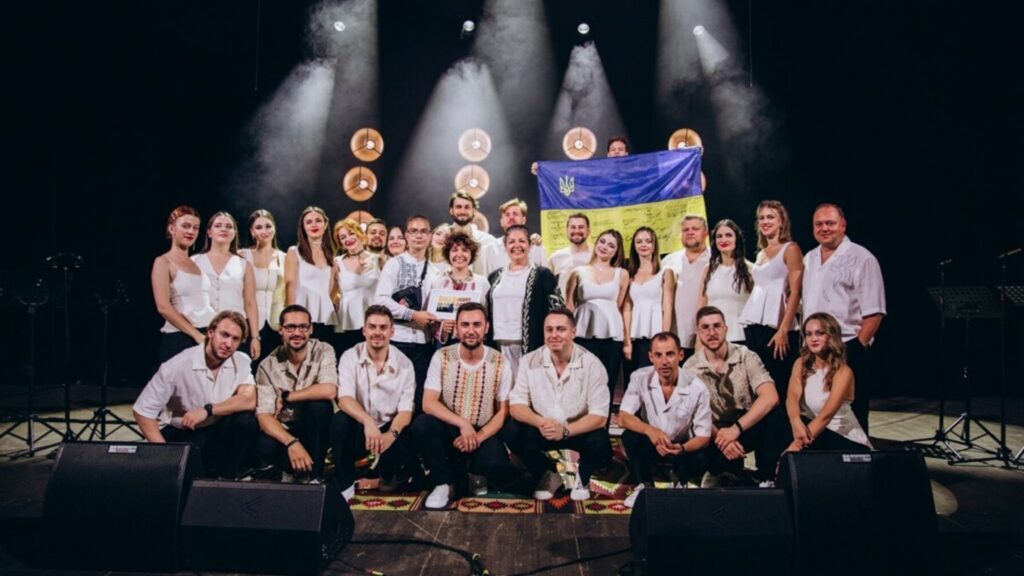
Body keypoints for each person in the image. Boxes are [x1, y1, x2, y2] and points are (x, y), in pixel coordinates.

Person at [133, 311, 258, 478]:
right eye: (224, 335)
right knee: (196, 479)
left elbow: (249, 399)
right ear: (210, 333)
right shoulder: (177, 366)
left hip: (215, 426)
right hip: (184, 431)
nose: (228, 344)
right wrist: (166, 454)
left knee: (246, 421)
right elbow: (142, 411)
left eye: (235, 339)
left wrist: (207, 410)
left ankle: (228, 477)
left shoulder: (241, 360)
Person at [413, 303, 514, 509]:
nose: (471, 330)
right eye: (465, 325)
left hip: (482, 431)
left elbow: (503, 411)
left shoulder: (500, 361)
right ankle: (443, 483)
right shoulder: (442, 356)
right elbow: (428, 403)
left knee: (495, 464)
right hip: (450, 428)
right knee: (422, 424)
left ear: (486, 327)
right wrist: (463, 424)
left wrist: (478, 436)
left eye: (477, 324)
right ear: (457, 328)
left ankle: (470, 473)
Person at [506, 309, 612, 501]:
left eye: (560, 329)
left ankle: (583, 478)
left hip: (576, 429)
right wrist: (540, 422)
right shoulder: (529, 361)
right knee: (510, 430)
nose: (554, 335)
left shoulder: (592, 364)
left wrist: (565, 431)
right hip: (543, 428)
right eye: (549, 329)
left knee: (599, 440)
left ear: (573, 332)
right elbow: (516, 405)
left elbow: (599, 416)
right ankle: (548, 473)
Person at [802, 203, 886, 433]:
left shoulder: (862, 257)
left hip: (846, 346)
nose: (824, 228)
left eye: (830, 223)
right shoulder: (809, 258)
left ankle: (855, 454)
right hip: (813, 348)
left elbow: (875, 311)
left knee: (851, 412)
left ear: (843, 225)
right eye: (819, 224)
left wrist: (856, 348)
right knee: (815, 408)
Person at [682, 306, 784, 483]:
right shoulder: (690, 367)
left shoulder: (746, 355)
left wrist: (736, 429)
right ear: (698, 332)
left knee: (777, 415)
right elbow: (691, 413)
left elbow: (771, 397)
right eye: (705, 328)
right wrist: (723, 439)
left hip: (746, 424)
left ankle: (767, 477)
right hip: (714, 431)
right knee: (721, 469)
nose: (712, 333)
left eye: (717, 326)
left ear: (725, 329)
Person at [331, 305, 419, 502]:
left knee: (414, 431)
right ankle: (345, 483)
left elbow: (406, 411)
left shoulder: (405, 364)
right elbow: (344, 398)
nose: (377, 332)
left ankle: (385, 476)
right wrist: (367, 422)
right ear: (364, 330)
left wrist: (391, 434)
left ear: (392, 332)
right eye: (372, 327)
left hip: (390, 427)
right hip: (360, 427)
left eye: (383, 327)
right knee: (339, 422)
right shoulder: (349, 356)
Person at [619, 332, 712, 508]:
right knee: (630, 437)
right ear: (651, 357)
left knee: (704, 455)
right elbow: (623, 417)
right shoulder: (639, 377)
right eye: (658, 355)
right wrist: (651, 431)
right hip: (652, 443)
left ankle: (682, 482)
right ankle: (645, 485)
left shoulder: (698, 388)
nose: (664, 361)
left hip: (682, 447)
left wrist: (682, 448)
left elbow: (704, 436)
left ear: (680, 355)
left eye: (670, 354)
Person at [254, 305, 338, 482]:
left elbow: (329, 390)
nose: (297, 333)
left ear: (311, 329)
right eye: (291, 327)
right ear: (281, 330)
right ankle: (288, 472)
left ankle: (315, 477)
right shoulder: (267, 365)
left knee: (319, 407)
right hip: (286, 431)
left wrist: (287, 397)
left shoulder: (323, 350)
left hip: (315, 429)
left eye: (303, 327)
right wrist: (292, 442)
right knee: (264, 444)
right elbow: (264, 416)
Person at [739, 200, 803, 400]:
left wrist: (783, 330)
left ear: (781, 221)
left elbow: (796, 292)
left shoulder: (790, 249)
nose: (765, 221)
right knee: (760, 382)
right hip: (755, 324)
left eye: (770, 217)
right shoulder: (760, 255)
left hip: (777, 327)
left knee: (780, 381)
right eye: (761, 218)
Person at [785, 313, 871, 452]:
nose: (813, 339)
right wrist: (795, 422)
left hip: (844, 438)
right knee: (779, 421)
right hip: (815, 434)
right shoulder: (800, 364)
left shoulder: (843, 372)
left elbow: (825, 417)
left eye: (820, 333)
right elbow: (792, 397)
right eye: (808, 334)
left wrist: (792, 449)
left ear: (831, 336)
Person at [374, 215, 437, 400]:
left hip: (424, 343)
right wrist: (413, 314)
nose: (419, 235)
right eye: (413, 231)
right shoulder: (394, 264)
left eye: (424, 231)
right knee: (393, 395)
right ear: (407, 236)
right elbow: (381, 300)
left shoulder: (435, 271)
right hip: (397, 340)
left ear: (430, 236)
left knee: (418, 397)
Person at [486, 225, 562, 377]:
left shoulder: (543, 275)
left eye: (521, 241)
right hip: (498, 343)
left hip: (530, 344)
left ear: (530, 245)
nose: (517, 245)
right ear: (505, 246)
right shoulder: (495, 276)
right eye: (511, 242)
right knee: (503, 388)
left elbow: (556, 310)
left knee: (529, 387)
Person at [565, 229, 629, 409]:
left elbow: (620, 306)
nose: (605, 247)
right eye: (602, 242)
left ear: (616, 251)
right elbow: (569, 307)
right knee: (581, 383)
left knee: (607, 382)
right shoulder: (577, 272)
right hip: (583, 333)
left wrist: (627, 341)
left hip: (612, 334)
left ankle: (603, 424)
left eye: (611, 245)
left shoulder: (622, 274)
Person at [152, 206, 216, 363]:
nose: (191, 231)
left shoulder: (196, 263)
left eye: (195, 228)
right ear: (172, 228)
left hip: (206, 335)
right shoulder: (163, 262)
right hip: (181, 337)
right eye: (186, 226)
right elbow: (163, 307)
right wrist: (195, 335)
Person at [193, 211, 261, 360]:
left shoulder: (243, 264)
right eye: (218, 226)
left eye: (229, 226)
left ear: (234, 233)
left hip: (234, 331)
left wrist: (255, 337)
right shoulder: (194, 262)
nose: (223, 229)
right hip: (202, 329)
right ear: (209, 232)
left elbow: (250, 303)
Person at [623, 226, 676, 385]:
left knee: (653, 382)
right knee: (632, 382)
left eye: (648, 241)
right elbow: (627, 308)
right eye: (639, 241)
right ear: (634, 246)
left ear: (654, 245)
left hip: (655, 335)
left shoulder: (665, 272)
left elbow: (667, 306)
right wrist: (627, 341)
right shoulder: (629, 274)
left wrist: (665, 339)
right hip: (634, 337)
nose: (643, 245)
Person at [285, 206, 338, 345]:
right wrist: (289, 318)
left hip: (326, 316)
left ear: (325, 224)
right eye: (308, 222)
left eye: (318, 220)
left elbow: (331, 292)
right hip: (301, 317)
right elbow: (290, 287)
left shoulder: (332, 257)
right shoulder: (294, 252)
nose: (314, 225)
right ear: (303, 227)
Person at [426, 231, 490, 346]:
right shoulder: (438, 282)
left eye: (465, 250)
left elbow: (486, 316)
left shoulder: (482, 283)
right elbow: (431, 319)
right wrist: (442, 327)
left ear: (471, 254)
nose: (459, 254)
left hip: (473, 341)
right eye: (454, 250)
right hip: (444, 344)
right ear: (448, 254)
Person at [239, 209, 286, 361]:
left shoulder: (284, 257)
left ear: (274, 228)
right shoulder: (242, 255)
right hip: (248, 324)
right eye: (258, 227)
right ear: (252, 231)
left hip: (277, 325)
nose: (264, 231)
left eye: (268, 226)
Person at [661, 215, 712, 354]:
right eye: (686, 230)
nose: (690, 232)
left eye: (695, 229)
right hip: (677, 336)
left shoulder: (715, 258)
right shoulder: (670, 260)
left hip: (707, 335)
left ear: (705, 233)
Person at [698, 219, 754, 345]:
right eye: (719, 236)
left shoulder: (750, 269)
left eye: (728, 235)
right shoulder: (708, 269)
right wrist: (699, 339)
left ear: (737, 239)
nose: (723, 239)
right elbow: (702, 305)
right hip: (712, 338)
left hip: (741, 337)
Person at [333, 218, 380, 356]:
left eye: (351, 233)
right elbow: (332, 292)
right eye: (343, 237)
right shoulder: (337, 262)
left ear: (359, 233)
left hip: (373, 320)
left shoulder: (377, 259)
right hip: (347, 321)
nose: (348, 239)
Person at [483, 198, 548, 275]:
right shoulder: (491, 248)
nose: (511, 217)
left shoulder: (536, 247)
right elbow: (488, 279)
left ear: (523, 220)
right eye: (507, 215)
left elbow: (546, 277)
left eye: (515, 214)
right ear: (501, 222)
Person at [448, 191, 497, 275]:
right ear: (451, 210)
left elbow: (496, 273)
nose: (463, 211)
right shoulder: (441, 239)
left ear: (474, 211)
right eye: (458, 207)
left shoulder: (488, 241)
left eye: (467, 207)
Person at [548, 213, 593, 298]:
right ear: (567, 230)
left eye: (581, 227)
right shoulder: (556, 257)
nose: (576, 231)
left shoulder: (597, 255)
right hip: (564, 305)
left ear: (588, 230)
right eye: (573, 227)